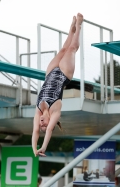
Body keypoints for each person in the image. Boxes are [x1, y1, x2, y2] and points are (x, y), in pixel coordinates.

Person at [32, 13, 83, 157]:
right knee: (72, 48)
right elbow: (48, 131)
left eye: (41, 125)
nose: (42, 125)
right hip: (64, 74)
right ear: (51, 123)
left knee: (62, 50)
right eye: (45, 125)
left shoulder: (38, 112)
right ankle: (79, 26)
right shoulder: (56, 112)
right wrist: (43, 147)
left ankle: (71, 29)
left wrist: (34, 149)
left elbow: (35, 132)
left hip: (50, 73)